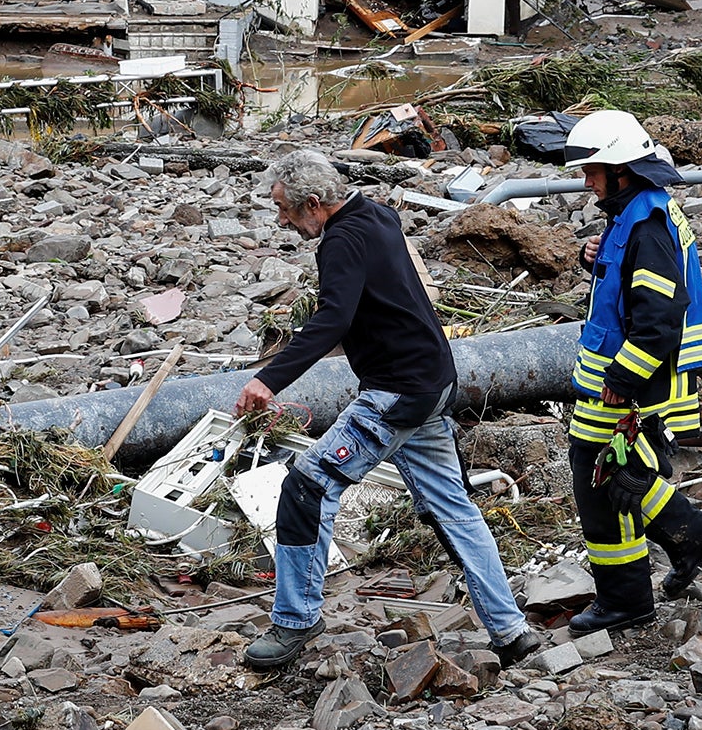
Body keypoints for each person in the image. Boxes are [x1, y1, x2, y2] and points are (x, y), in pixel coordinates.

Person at [234, 148, 546, 671]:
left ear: (314, 203)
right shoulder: (376, 213)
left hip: (396, 394)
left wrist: (269, 379)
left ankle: (295, 621)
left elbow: (332, 318)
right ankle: (511, 632)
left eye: (286, 209)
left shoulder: (341, 240)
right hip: (434, 383)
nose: (283, 220)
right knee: (453, 509)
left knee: (307, 487)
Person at [561, 109, 702, 635]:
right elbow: (626, 288)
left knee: (608, 478)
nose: (586, 182)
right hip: (625, 379)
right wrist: (596, 258)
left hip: (637, 383)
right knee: (607, 476)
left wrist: (625, 380)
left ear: (622, 169)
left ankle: (672, 553)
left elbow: (657, 321)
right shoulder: (634, 213)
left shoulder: (646, 225)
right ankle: (640, 584)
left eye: (593, 171)